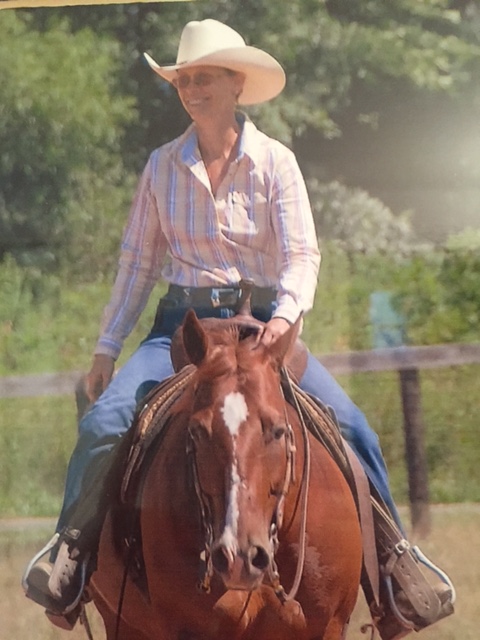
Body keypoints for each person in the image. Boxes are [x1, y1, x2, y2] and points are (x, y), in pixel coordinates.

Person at [23, 19, 454, 640]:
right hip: (184, 332)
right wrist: (106, 347)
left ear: (235, 85)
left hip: (263, 332)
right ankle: (72, 556)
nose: (192, 89)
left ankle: (395, 570)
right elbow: (137, 264)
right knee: (105, 422)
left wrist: (285, 319)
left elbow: (302, 255)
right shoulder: (161, 166)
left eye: (204, 78)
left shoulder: (277, 162)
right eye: (184, 80)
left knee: (354, 428)